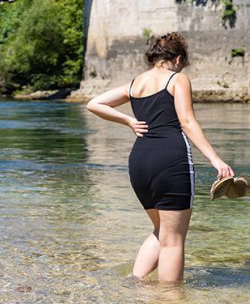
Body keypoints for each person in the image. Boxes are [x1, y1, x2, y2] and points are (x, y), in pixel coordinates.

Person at [86, 33, 234, 284]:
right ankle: (169, 299)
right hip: (170, 159)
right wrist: (215, 160)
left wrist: (129, 120)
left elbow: (95, 103)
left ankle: (135, 284)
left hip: (140, 161)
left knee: (162, 231)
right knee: (174, 239)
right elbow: (187, 122)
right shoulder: (178, 79)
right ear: (177, 59)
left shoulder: (135, 84)